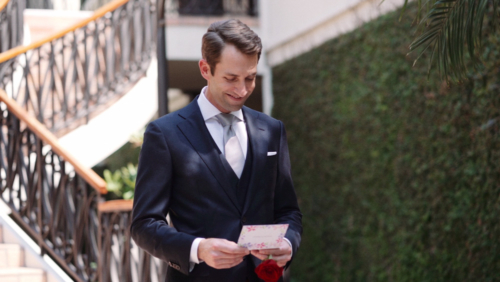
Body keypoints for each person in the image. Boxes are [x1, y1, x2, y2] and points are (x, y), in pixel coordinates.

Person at [130, 19, 302, 282]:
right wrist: (197, 249)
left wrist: (287, 244)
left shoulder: (272, 130)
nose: (242, 89)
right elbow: (144, 225)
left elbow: (288, 210)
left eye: (250, 78)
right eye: (231, 78)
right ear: (205, 69)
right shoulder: (165, 134)